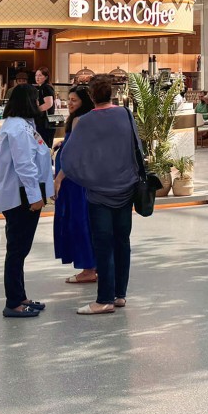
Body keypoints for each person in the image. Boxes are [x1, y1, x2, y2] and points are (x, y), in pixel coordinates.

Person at [55, 75, 142, 315]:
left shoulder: (86, 121)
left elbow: (69, 158)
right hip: (125, 189)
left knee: (103, 244)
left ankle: (104, 299)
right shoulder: (125, 114)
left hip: (99, 193)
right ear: (112, 93)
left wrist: (85, 177)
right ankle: (119, 295)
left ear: (91, 96)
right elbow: (137, 148)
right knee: (122, 242)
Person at [0, 85, 52, 318]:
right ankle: (13, 302)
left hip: (24, 193)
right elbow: (25, 166)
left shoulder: (23, 125)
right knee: (17, 250)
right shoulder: (17, 128)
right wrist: (36, 197)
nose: (40, 103)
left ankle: (21, 296)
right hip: (22, 196)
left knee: (20, 249)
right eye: (37, 100)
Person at [54, 86, 98, 285]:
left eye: (74, 100)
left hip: (74, 180)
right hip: (78, 179)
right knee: (82, 221)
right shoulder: (81, 119)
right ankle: (91, 265)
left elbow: (78, 154)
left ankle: (88, 268)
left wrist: (59, 178)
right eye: (69, 99)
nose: (70, 103)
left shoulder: (80, 120)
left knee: (78, 221)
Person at [31, 67, 57, 148]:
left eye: (40, 75)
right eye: (36, 75)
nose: (37, 77)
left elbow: (48, 104)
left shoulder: (45, 87)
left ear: (46, 77)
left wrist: (36, 110)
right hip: (45, 122)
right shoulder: (43, 87)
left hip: (45, 122)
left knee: (44, 146)